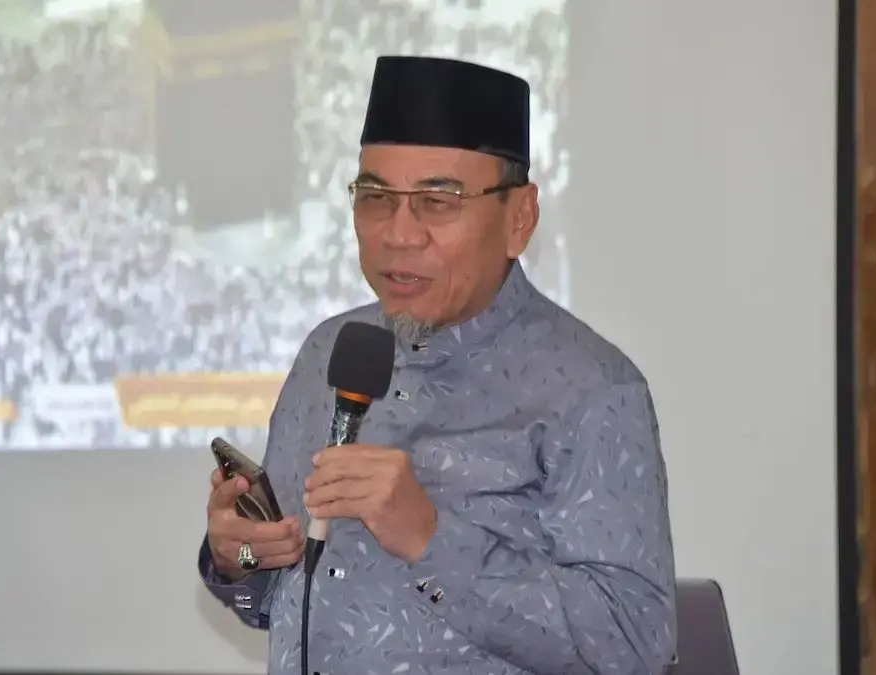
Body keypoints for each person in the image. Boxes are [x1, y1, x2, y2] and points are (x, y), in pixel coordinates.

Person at [198, 55, 677, 675]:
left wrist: (430, 538)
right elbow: (269, 604)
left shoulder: (591, 391)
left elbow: (635, 644)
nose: (399, 234)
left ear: (519, 219)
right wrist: (239, 559)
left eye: (438, 201)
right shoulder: (329, 351)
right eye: (376, 198)